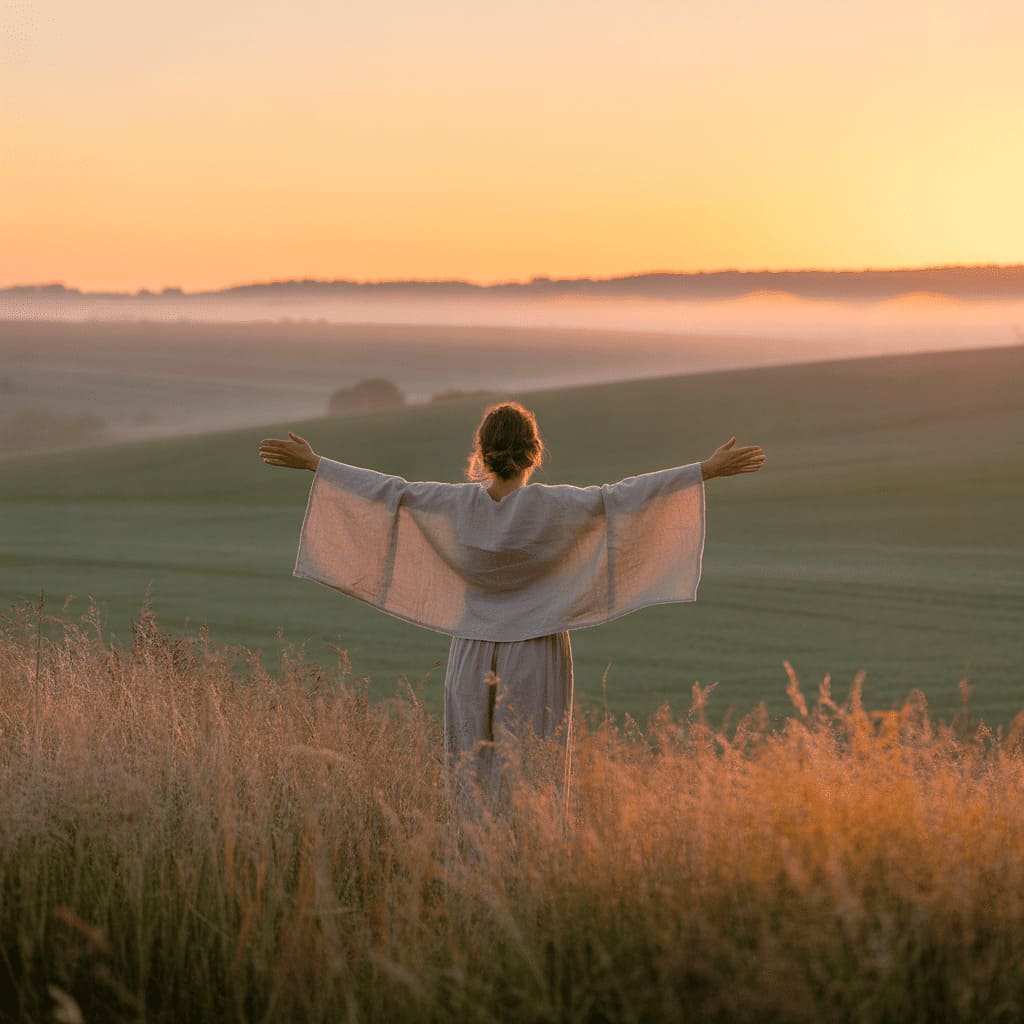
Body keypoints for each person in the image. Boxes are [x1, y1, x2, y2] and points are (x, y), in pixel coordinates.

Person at [259, 402, 765, 810]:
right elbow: (625, 499)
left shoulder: (455, 504)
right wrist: (704, 471)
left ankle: (474, 868)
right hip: (538, 649)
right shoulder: (556, 506)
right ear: (534, 453)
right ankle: (529, 868)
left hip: (472, 649)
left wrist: (316, 464)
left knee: (467, 764)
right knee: (533, 768)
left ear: (481, 452)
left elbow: (391, 493)